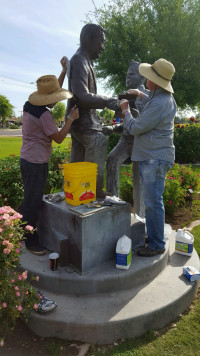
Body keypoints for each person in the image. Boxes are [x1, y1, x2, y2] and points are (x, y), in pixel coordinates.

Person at [120, 58, 177, 257]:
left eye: (149, 77)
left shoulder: (159, 102)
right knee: (153, 201)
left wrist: (126, 111)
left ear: (156, 81)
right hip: (156, 156)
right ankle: (155, 236)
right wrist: (140, 94)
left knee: (152, 203)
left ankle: (156, 245)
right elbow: (151, 101)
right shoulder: (163, 96)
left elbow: (135, 127)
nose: (145, 78)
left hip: (154, 159)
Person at [19, 70, 79, 256]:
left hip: (27, 159)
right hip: (36, 163)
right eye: (55, 97)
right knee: (32, 202)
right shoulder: (44, 115)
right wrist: (70, 118)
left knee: (29, 198)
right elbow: (59, 138)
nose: (57, 101)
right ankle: (30, 240)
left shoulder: (29, 105)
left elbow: (51, 91)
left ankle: (21, 231)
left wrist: (63, 71)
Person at [65, 23, 120, 198]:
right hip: (82, 123)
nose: (102, 48)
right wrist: (111, 102)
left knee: (77, 161)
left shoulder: (86, 61)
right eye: (100, 42)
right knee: (99, 141)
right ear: (88, 39)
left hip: (84, 122)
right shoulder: (79, 60)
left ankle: (75, 190)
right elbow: (82, 96)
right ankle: (93, 191)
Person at [106, 60, 149, 220]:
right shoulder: (125, 95)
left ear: (142, 77)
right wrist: (111, 128)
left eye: (131, 75)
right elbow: (125, 124)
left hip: (140, 142)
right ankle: (112, 206)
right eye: (127, 75)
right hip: (125, 141)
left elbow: (146, 123)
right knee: (111, 160)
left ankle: (140, 216)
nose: (128, 79)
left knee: (138, 177)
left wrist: (135, 116)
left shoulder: (146, 96)